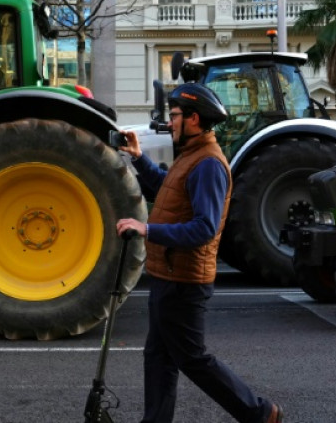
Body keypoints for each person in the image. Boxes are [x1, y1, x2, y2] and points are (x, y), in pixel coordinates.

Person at [115, 83, 283, 423]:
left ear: (194, 118)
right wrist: (138, 158)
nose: (170, 122)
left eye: (175, 115)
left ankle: (260, 413)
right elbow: (168, 190)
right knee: (159, 357)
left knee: (192, 358)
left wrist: (148, 229)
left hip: (184, 280)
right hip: (169, 275)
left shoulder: (208, 164)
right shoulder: (190, 157)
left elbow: (204, 228)